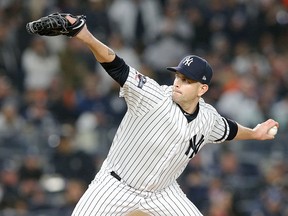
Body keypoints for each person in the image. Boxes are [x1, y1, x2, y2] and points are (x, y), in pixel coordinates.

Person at [27, 14, 279, 216]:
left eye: (187, 80)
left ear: (202, 89)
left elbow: (229, 129)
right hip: (115, 185)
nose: (178, 82)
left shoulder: (208, 118)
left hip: (163, 193)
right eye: (178, 76)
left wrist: (255, 133)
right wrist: (85, 35)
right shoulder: (152, 95)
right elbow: (116, 64)